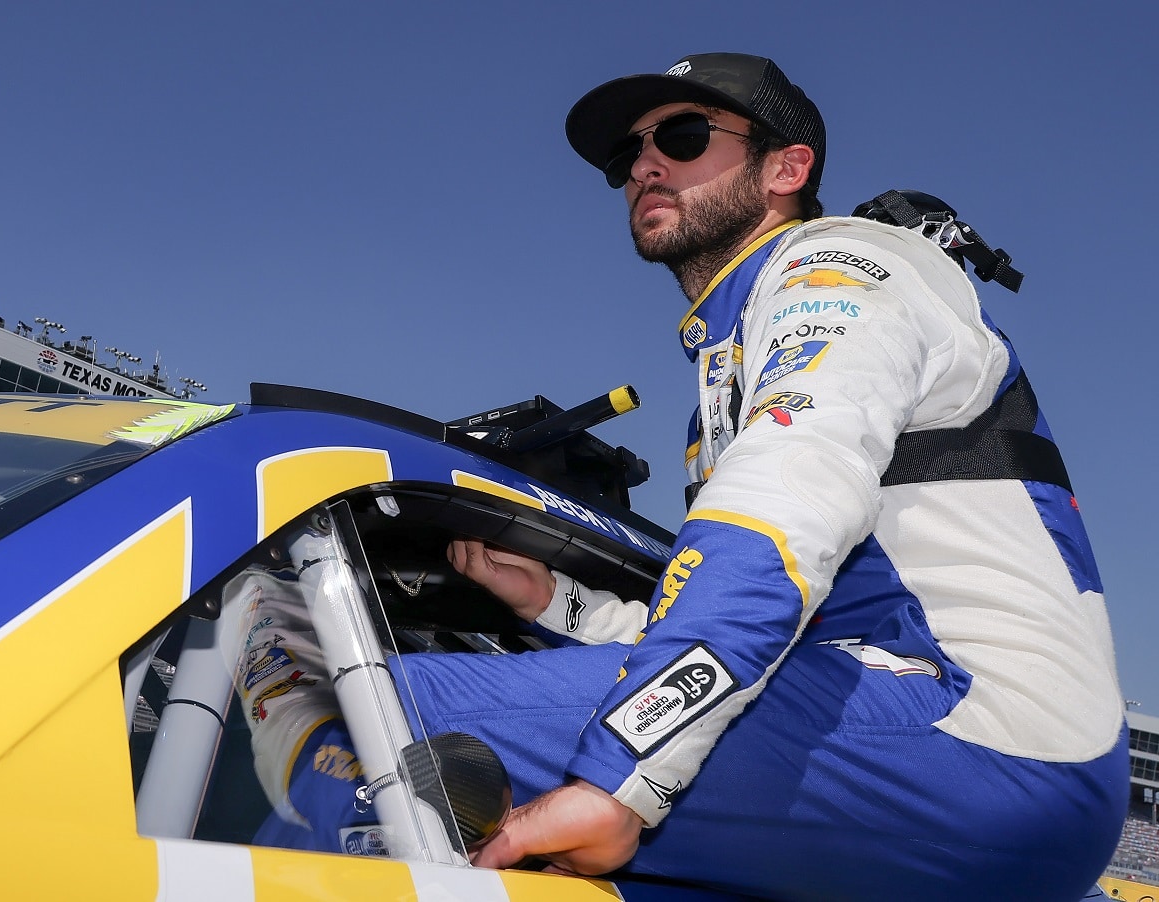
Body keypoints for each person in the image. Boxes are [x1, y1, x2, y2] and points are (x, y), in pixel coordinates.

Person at [429, 52, 1126, 899]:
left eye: (682, 137)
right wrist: (554, 605)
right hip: (915, 725)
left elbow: (779, 513)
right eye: (626, 157)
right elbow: (750, 630)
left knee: (373, 702)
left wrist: (625, 772)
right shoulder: (729, 363)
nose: (644, 165)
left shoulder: (843, 265)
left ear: (787, 169)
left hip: (985, 737)